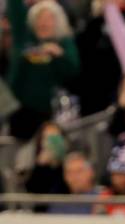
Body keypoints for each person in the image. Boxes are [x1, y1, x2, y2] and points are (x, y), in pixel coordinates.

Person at [6, 0, 80, 139]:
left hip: (55, 115)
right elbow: (16, 11)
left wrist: (59, 55)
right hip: (23, 115)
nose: (43, 23)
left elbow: (74, 71)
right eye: (39, 19)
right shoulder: (25, 40)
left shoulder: (63, 42)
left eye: (48, 19)